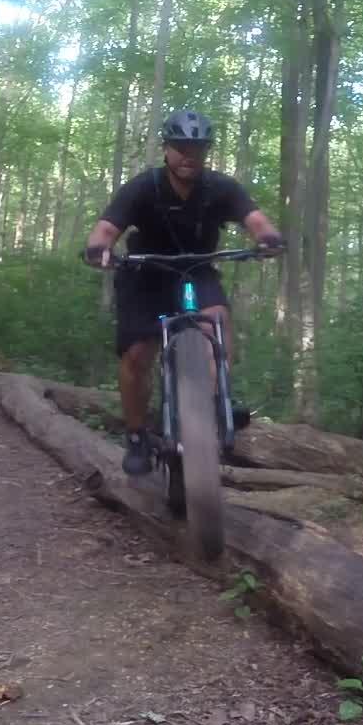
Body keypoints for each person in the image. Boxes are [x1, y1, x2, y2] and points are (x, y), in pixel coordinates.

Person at [83, 110, 285, 475]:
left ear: (206, 151)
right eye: (180, 147)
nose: (189, 155)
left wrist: (267, 238)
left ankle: (217, 398)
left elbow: (254, 219)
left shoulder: (220, 187)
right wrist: (99, 248)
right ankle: (136, 435)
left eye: (198, 148)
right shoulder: (144, 187)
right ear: (167, 149)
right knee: (137, 354)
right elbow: (107, 228)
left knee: (217, 325)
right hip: (145, 272)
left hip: (196, 267)